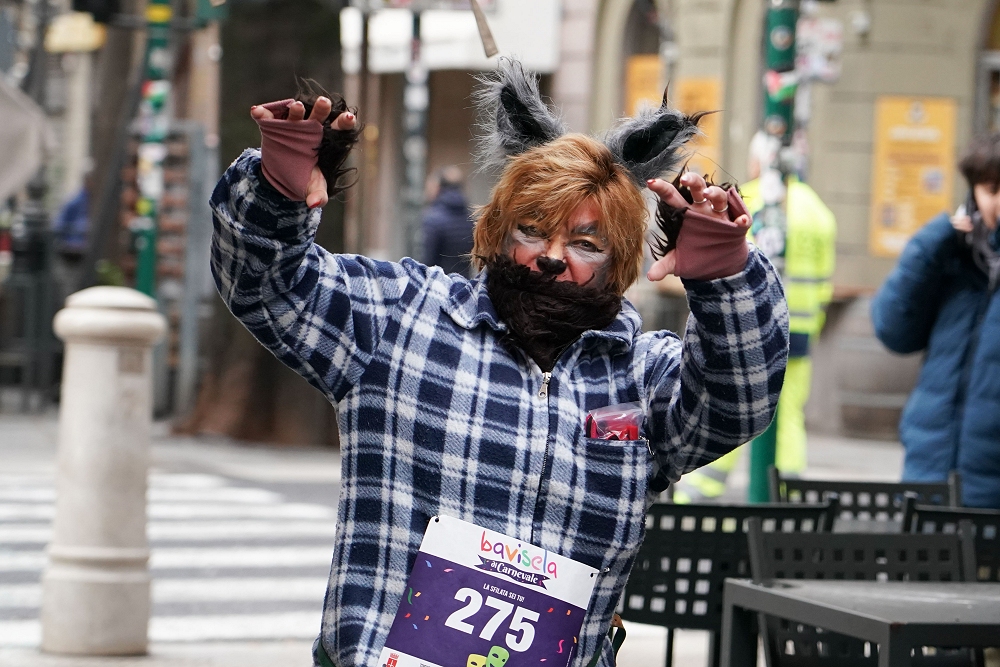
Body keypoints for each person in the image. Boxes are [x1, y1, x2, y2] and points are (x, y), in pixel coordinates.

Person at [211, 60, 788, 667]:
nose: (552, 256)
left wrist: (725, 276)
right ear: (499, 230)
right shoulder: (401, 319)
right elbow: (265, 283)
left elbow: (739, 399)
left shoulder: (641, 380)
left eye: (585, 243)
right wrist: (275, 192)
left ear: (618, 260)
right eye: (532, 230)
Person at [672, 131, 836, 503]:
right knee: (788, 414)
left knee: (731, 406)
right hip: (802, 329)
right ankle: (787, 495)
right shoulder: (817, 211)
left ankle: (698, 493)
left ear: (760, 161)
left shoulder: (750, 199)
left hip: (753, 327)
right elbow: (824, 283)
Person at [871, 133, 1000, 509]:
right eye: (992, 190)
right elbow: (893, 331)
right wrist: (929, 245)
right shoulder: (952, 256)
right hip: (929, 471)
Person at [422, 165, 474, 276]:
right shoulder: (469, 216)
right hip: (463, 280)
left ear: (438, 187)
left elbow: (428, 258)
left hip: (438, 281)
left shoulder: (433, 218)